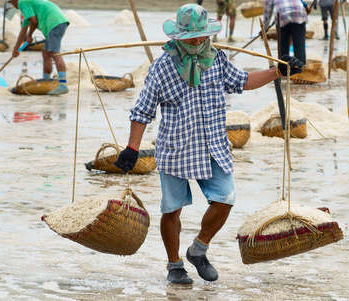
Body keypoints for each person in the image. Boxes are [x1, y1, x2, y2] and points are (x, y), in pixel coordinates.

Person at [114, 4, 302, 285]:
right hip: (176, 148)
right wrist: (132, 148)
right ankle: (174, 264)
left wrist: (277, 71)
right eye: (192, 36)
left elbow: (244, 81)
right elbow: (142, 110)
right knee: (171, 209)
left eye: (202, 36)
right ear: (178, 36)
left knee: (225, 199)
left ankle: (199, 249)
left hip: (213, 144)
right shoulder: (163, 66)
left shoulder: (216, 59)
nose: (198, 41)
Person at [9, 0, 69, 95]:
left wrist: (30, 34)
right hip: (57, 22)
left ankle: (63, 85)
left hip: (55, 22)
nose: (12, 5)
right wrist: (16, 48)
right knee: (46, 53)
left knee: (55, 53)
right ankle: (46, 80)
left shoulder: (22, 2)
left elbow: (34, 21)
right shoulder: (27, 8)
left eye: (11, 2)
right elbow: (23, 31)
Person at [263, 0, 308, 65]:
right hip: (299, 14)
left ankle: (283, 69)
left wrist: (264, 28)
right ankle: (300, 70)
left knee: (283, 48)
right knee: (299, 47)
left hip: (282, 16)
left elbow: (267, 12)